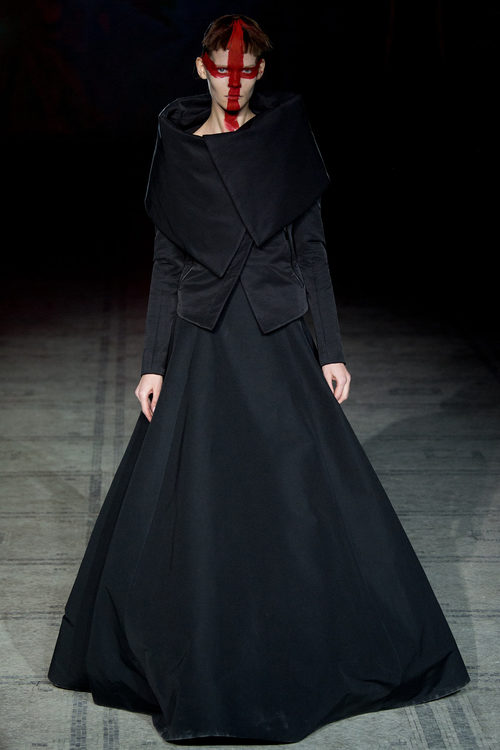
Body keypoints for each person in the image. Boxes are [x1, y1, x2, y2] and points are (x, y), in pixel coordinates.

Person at [48, 13, 470, 744]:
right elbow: (168, 263)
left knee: (298, 492)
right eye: (223, 67)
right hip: (203, 341)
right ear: (202, 69)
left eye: (247, 69)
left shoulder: (284, 140)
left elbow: (312, 251)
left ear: (262, 73)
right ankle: (201, 653)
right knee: (200, 499)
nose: (235, 80)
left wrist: (330, 349)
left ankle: (301, 645)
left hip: (276, 336)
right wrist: (153, 362)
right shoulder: (179, 147)